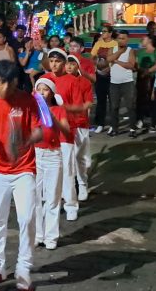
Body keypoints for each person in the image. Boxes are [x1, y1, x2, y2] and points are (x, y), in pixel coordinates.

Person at [0, 60, 41, 289]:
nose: (4, 90)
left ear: (15, 83)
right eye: (1, 83)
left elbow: (38, 130)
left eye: (10, 85)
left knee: (27, 217)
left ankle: (24, 267)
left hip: (24, 168)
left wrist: (26, 140)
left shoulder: (27, 100)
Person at [41, 49, 81, 221]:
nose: (54, 64)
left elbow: (78, 107)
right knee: (46, 173)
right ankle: (49, 203)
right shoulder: (43, 81)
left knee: (67, 171)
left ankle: (71, 204)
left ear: (64, 63)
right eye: (51, 61)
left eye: (57, 61)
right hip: (46, 136)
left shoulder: (72, 81)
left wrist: (62, 111)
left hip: (65, 134)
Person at [33, 78, 70, 250]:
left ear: (52, 93)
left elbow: (66, 131)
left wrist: (52, 116)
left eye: (45, 89)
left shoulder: (58, 110)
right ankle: (37, 234)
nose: (41, 92)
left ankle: (51, 237)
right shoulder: (32, 110)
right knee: (34, 197)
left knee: (52, 198)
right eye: (38, 89)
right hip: (35, 154)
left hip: (53, 155)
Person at [66, 55, 93, 202]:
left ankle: (83, 183)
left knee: (81, 159)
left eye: (72, 64)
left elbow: (88, 103)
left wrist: (78, 111)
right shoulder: (59, 81)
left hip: (81, 124)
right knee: (68, 158)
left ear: (78, 66)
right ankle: (70, 188)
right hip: (64, 125)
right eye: (67, 64)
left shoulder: (84, 83)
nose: (69, 67)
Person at [107, 30, 137, 138]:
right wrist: (119, 53)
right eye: (119, 38)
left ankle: (133, 129)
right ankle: (115, 129)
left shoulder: (130, 50)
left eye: (123, 38)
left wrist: (117, 61)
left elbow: (130, 65)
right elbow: (108, 59)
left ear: (127, 39)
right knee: (114, 107)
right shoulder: (112, 49)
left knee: (130, 106)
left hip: (127, 83)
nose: (121, 40)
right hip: (114, 83)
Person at [90, 25, 117, 133]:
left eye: (105, 31)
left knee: (112, 100)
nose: (103, 33)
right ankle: (100, 124)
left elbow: (116, 58)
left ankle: (113, 124)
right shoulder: (98, 43)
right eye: (102, 31)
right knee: (101, 101)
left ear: (110, 33)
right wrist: (97, 66)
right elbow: (92, 56)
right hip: (100, 75)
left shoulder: (115, 44)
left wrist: (109, 68)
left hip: (111, 75)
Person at [135, 35, 156, 130]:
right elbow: (137, 65)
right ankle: (140, 119)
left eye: (144, 39)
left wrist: (147, 72)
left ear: (150, 40)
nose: (141, 40)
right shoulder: (140, 52)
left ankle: (154, 122)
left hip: (153, 78)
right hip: (142, 79)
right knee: (140, 100)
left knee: (154, 100)